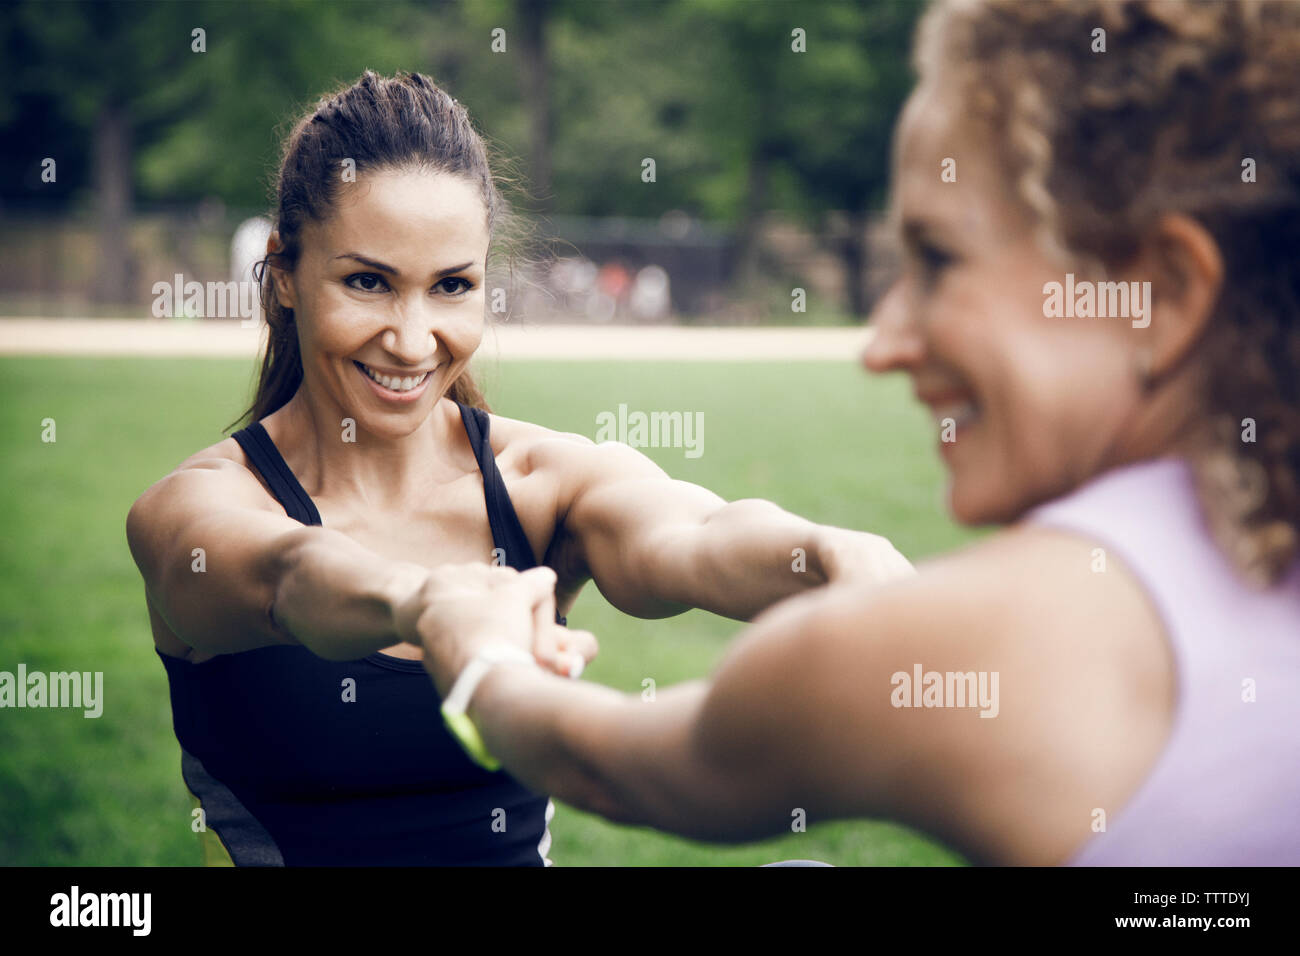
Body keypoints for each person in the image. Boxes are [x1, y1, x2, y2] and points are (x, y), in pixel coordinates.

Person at [408, 0, 1300, 865]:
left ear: (1166, 293)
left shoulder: (990, 638)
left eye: (939, 260)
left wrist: (478, 653)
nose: (885, 343)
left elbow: (608, 768)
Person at [124, 70, 912, 867]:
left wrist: (824, 559)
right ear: (285, 274)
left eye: (452, 287)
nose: (411, 337)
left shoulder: (539, 483)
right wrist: (427, 603)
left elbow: (692, 533)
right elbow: (289, 578)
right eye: (368, 282)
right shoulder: (195, 512)